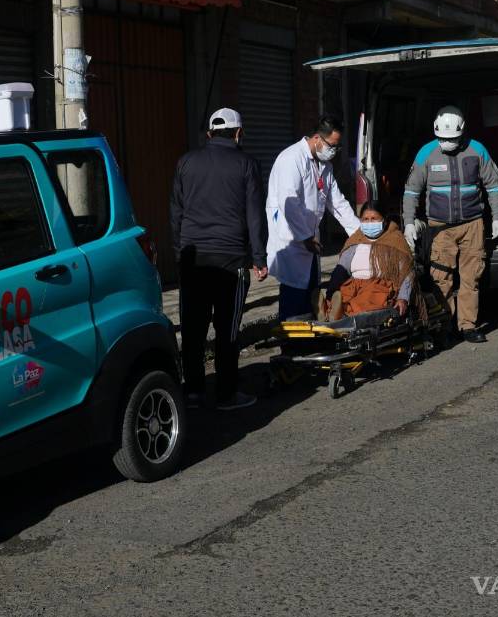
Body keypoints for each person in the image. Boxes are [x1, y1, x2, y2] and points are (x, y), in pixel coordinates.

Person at [170, 107, 268, 411]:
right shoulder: (247, 164)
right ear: (238, 133)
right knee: (227, 330)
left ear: (210, 134)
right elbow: (255, 214)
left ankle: (193, 393)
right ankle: (226, 394)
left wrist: (179, 252)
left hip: (194, 259)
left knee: (193, 330)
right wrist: (259, 257)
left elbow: (176, 212)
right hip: (231, 259)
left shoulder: (186, 161)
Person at [402, 105, 498, 344]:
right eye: (442, 139)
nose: (447, 143)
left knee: (471, 277)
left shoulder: (477, 150)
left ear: (462, 132)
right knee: (441, 278)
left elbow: (494, 186)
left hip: (473, 224)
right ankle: (443, 326)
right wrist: (408, 222)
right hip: (440, 228)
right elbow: (411, 191)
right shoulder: (425, 153)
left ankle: (468, 326)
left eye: (452, 139)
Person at [266, 114, 361, 321]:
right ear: (317, 138)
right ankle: (291, 347)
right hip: (292, 241)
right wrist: (306, 237)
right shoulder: (291, 159)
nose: (334, 151)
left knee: (311, 296)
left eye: (338, 147)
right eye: (332, 146)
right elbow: (289, 203)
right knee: (294, 297)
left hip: (310, 241)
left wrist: (359, 233)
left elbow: (337, 203)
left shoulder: (324, 166)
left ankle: (308, 346)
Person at [321, 206, 415, 320]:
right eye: (365, 219)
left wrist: (403, 298)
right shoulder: (355, 241)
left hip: (379, 286)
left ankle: (338, 313)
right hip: (353, 285)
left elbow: (407, 272)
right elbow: (340, 270)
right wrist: (331, 291)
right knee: (343, 295)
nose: (369, 222)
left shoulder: (395, 241)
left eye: (374, 218)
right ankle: (327, 309)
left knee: (365, 302)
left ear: (384, 221)